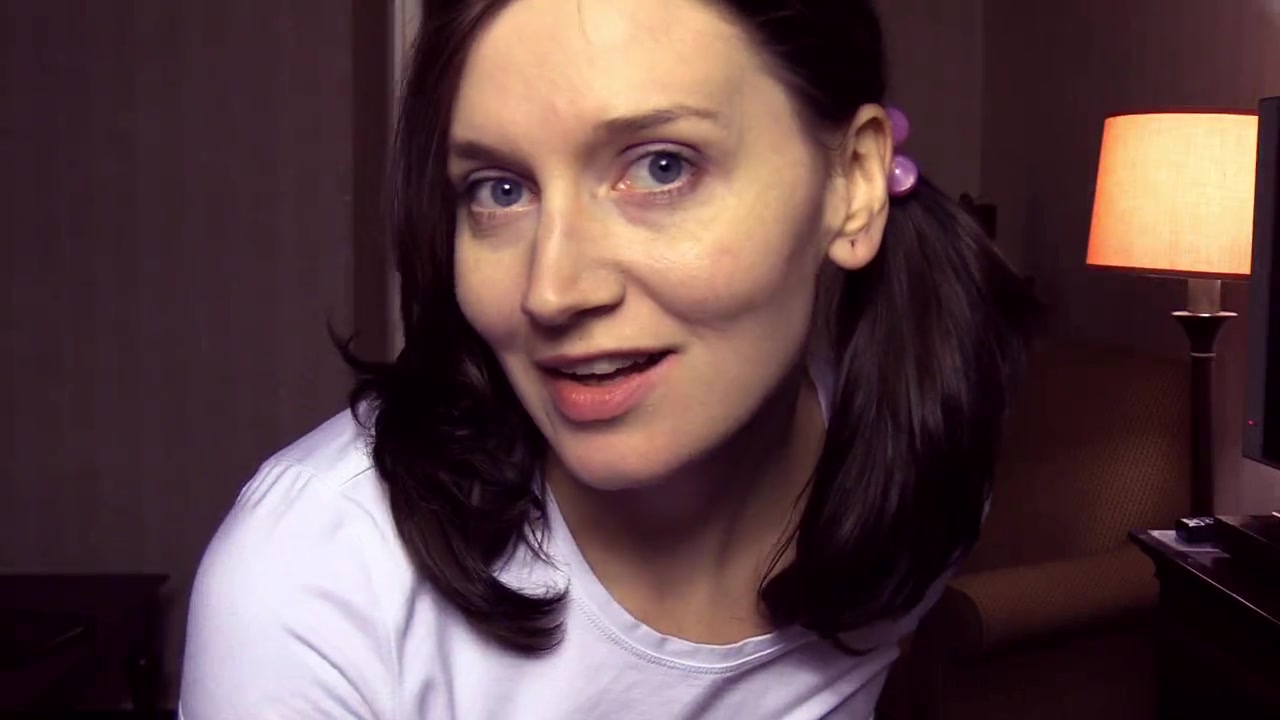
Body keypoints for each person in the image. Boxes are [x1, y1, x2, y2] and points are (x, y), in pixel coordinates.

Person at [179, 0, 1038, 717]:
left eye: (661, 168)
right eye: (499, 190)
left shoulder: (915, 474)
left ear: (851, 183)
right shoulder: (316, 578)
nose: (552, 291)